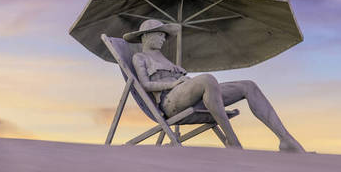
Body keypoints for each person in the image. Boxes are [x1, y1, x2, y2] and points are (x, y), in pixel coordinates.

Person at [123, 19, 305, 152]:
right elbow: (145, 85)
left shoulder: (162, 57)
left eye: (165, 36)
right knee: (208, 79)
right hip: (170, 103)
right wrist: (174, 82)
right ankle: (233, 141)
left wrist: (181, 76)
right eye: (160, 35)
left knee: (248, 86)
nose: (164, 39)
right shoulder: (140, 57)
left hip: (188, 95)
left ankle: (285, 139)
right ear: (146, 36)